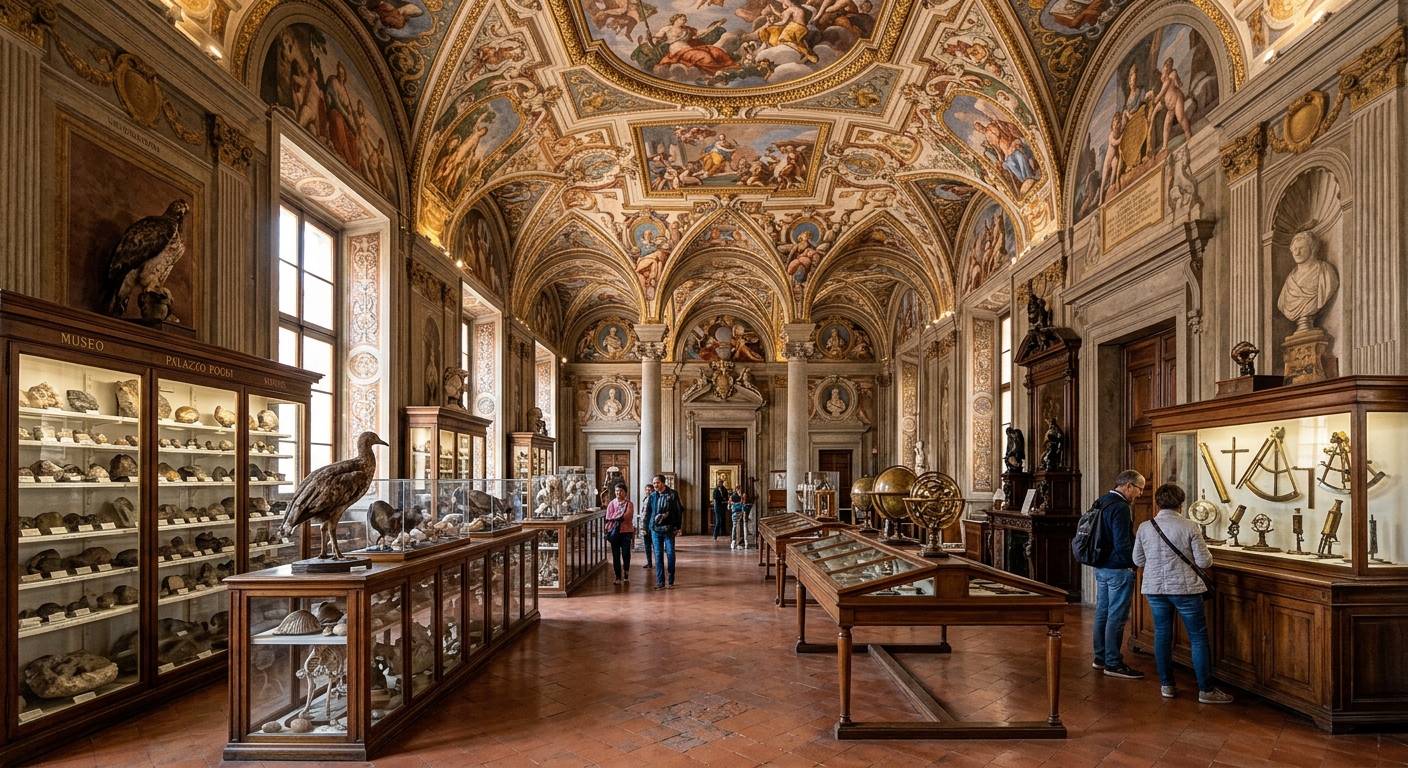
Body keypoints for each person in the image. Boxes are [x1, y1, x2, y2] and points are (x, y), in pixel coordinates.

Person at [1132, 483, 1234, 704]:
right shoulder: (1190, 526)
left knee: (1162, 635)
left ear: (1157, 502)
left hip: (1155, 588)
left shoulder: (1145, 527)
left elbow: (1137, 560)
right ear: (1181, 503)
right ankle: (1206, 690)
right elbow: (1204, 561)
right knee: (1197, 638)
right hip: (1185, 588)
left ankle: (1167, 685)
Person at [1092, 469, 1146, 679]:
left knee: (1102, 613)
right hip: (1118, 569)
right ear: (1128, 486)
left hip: (1101, 566)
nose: (1140, 494)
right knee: (1117, 616)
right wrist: (1132, 564)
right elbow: (1122, 542)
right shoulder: (1121, 507)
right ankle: (1113, 663)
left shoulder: (1101, 501)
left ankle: (1101, 657)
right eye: (1139, 489)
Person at [646, 474, 683, 590]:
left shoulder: (672, 494)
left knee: (670, 554)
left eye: (657, 483)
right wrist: (645, 527)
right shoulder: (652, 496)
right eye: (654, 483)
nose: (655, 485)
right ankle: (660, 581)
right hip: (655, 530)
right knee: (658, 555)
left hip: (669, 529)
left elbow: (678, 511)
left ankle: (671, 577)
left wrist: (678, 526)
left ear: (663, 483)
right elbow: (648, 512)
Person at [604, 483, 635, 585]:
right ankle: (618, 576)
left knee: (626, 553)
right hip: (614, 532)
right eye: (617, 491)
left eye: (621, 491)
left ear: (625, 492)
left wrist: (617, 518)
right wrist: (616, 519)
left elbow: (628, 516)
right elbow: (608, 517)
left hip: (626, 531)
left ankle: (626, 570)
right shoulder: (612, 504)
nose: (618, 493)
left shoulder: (629, 504)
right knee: (615, 555)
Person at [638, 482, 655, 571]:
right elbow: (644, 514)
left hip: (651, 526)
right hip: (645, 526)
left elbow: (648, 515)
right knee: (647, 545)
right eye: (647, 490)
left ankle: (656, 562)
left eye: (650, 490)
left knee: (654, 545)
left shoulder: (653, 499)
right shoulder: (646, 498)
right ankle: (649, 562)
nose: (648, 491)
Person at [729, 486, 749, 550]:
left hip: (736, 512)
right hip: (738, 512)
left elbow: (729, 506)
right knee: (736, 526)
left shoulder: (734, 496)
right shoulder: (736, 496)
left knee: (736, 526)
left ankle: (736, 542)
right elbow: (743, 504)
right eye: (738, 489)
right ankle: (736, 542)